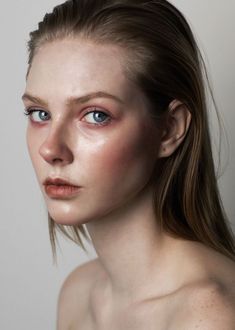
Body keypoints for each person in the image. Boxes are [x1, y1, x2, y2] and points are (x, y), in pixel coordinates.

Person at [22, 0, 235, 329]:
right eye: (40, 114)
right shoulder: (78, 292)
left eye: (96, 115)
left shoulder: (209, 315)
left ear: (170, 129)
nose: (51, 148)